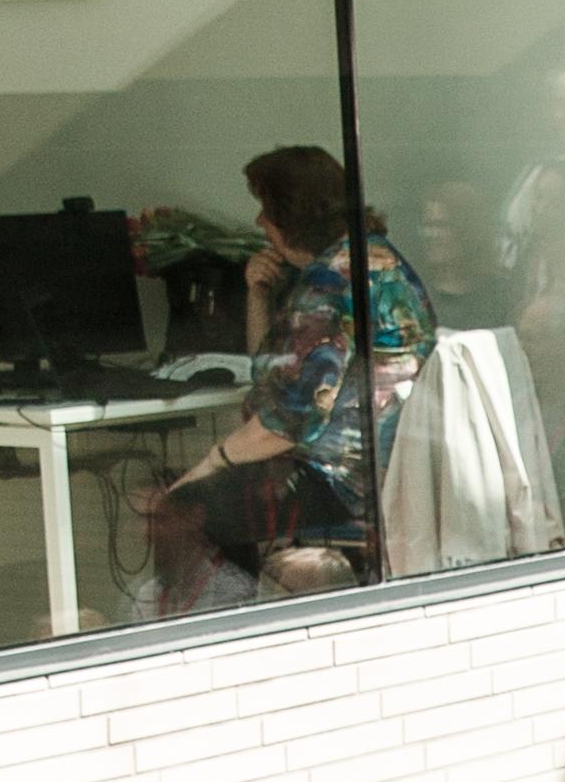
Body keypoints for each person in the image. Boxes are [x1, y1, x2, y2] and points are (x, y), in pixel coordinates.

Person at [159, 143, 435, 587]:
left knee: (183, 509)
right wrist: (257, 294)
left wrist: (211, 461)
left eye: (265, 209)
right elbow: (274, 372)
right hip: (377, 468)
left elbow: (287, 422)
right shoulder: (373, 259)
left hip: (339, 480)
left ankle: (231, 625)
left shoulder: (328, 286)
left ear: (292, 214)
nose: (258, 223)